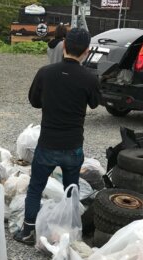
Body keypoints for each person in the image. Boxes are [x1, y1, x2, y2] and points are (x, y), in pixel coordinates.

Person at [14, 28, 101, 245]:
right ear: (87, 51)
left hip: (48, 143)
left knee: (35, 188)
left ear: (63, 46)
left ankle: (27, 231)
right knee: (71, 190)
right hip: (73, 146)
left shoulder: (45, 72)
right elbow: (95, 103)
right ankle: (69, 232)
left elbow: (34, 101)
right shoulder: (89, 78)